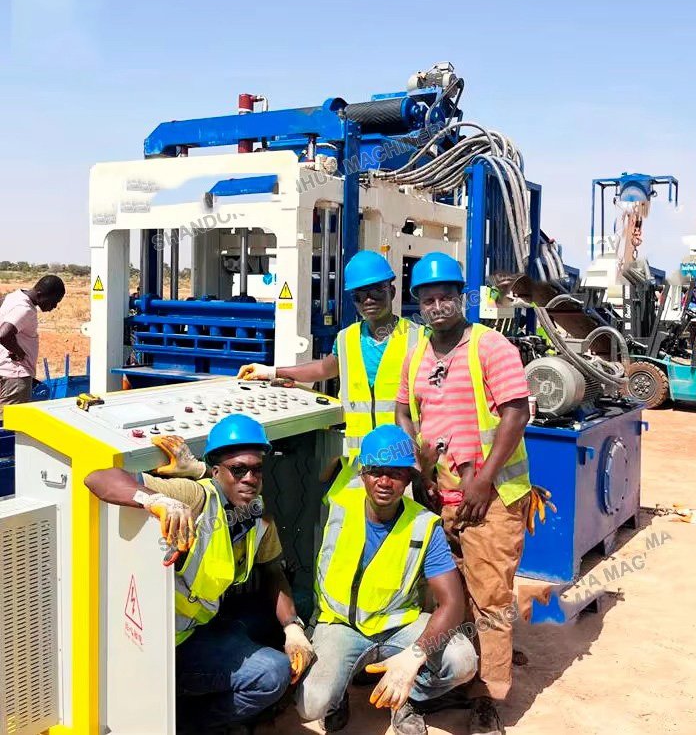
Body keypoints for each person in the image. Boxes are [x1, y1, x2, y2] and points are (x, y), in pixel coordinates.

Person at [83, 415, 315, 735]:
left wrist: (292, 629)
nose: (250, 477)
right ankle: (187, 724)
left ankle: (204, 712)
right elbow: (99, 477)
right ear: (216, 472)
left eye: (257, 469)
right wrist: (155, 500)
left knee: (301, 603)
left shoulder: (256, 514)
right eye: (238, 470)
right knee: (271, 674)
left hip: (206, 624)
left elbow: (273, 569)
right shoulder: (194, 497)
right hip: (166, 646)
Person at [395, 252, 531, 735]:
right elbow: (405, 414)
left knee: (490, 596)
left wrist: (485, 478)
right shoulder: (416, 353)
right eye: (427, 300)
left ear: (461, 297)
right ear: (418, 305)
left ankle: (488, 695)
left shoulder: (490, 346)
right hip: (440, 496)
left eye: (445, 297)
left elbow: (516, 411)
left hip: (490, 496)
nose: (437, 307)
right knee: (447, 595)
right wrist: (420, 470)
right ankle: (453, 676)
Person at [296, 424, 478, 735]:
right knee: (312, 704)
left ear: (408, 478)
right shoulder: (339, 502)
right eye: (376, 471)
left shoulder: (423, 525)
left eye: (395, 473)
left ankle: (408, 698)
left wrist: (414, 657)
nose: (384, 481)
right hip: (339, 624)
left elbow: (453, 602)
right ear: (362, 473)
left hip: (399, 626)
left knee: (462, 661)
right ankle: (338, 698)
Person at [238, 250, 421, 497]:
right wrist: (272, 372)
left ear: (392, 291)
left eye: (377, 291)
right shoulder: (346, 339)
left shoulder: (417, 337)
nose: (368, 300)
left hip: (403, 467)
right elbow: (324, 369)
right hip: (360, 466)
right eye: (360, 295)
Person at [0, 275, 65, 422]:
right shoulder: (25, 309)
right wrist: (20, 352)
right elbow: (3, 335)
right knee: (12, 426)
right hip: (15, 377)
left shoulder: (14, 297)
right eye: (53, 302)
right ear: (40, 295)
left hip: (5, 371)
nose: (54, 307)